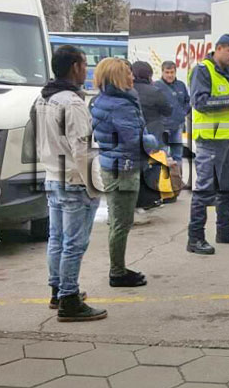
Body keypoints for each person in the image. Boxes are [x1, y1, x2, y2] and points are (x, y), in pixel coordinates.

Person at [32, 46, 107, 321]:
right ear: (75, 67)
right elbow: (82, 149)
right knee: (74, 244)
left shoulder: (42, 99)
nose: (86, 70)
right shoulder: (73, 103)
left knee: (57, 240)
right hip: (75, 181)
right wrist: (94, 187)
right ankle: (69, 299)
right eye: (84, 64)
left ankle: (58, 290)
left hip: (53, 176)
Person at [91, 57, 159, 287]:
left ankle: (118, 268)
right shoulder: (121, 105)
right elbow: (134, 139)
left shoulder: (107, 100)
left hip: (115, 164)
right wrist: (153, 142)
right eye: (128, 73)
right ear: (118, 77)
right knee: (121, 222)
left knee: (119, 220)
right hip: (124, 168)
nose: (132, 77)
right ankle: (117, 272)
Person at [187, 34, 229, 254]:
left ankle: (224, 231)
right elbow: (200, 103)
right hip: (210, 141)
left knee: (227, 189)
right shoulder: (203, 71)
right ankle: (195, 238)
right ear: (219, 48)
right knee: (205, 190)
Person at [132, 61, 172, 217]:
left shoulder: (128, 90)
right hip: (154, 132)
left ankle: (136, 200)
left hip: (135, 134)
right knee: (154, 166)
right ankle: (150, 199)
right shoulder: (154, 91)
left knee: (137, 168)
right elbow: (168, 110)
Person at [155, 60, 191, 163]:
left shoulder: (181, 85)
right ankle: (164, 173)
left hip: (177, 126)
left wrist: (183, 112)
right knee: (163, 154)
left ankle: (177, 173)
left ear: (175, 72)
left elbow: (187, 101)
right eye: (167, 72)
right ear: (162, 72)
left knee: (178, 155)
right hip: (163, 127)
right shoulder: (156, 86)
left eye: (172, 72)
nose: (170, 75)